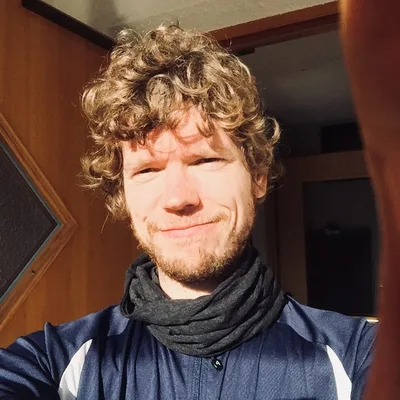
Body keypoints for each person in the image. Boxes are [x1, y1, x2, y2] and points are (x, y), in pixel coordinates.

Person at [0, 0, 399, 398]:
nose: (178, 198)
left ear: (258, 176)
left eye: (206, 160)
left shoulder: (359, 357)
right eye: (147, 170)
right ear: (123, 193)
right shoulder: (55, 362)